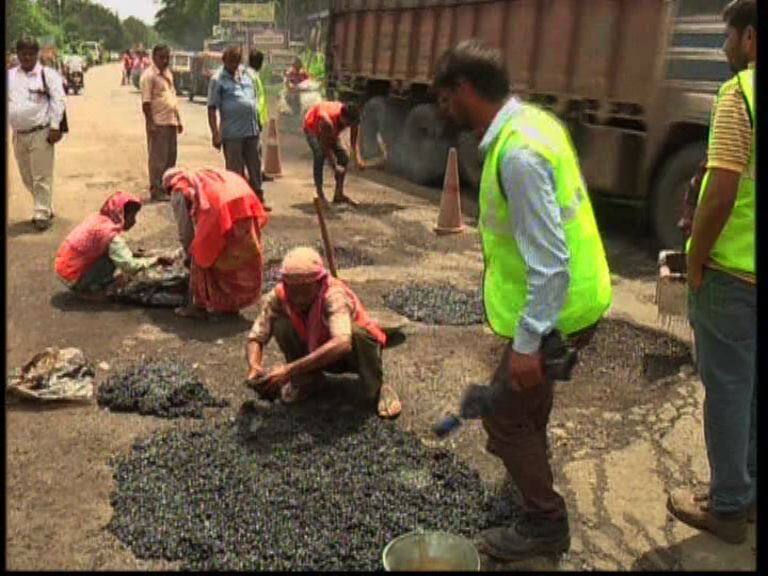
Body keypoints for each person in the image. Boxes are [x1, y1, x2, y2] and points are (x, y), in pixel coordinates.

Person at [433, 40, 612, 560]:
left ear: (465, 90)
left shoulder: (519, 153)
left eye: (447, 100)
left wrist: (529, 342)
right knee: (522, 404)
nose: (446, 112)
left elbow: (550, 260)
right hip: (570, 299)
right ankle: (531, 472)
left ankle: (544, 525)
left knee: (504, 420)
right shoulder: (534, 122)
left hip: (559, 307)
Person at [667, 0, 756, 545]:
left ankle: (726, 507)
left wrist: (696, 258)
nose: (723, 47)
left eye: (727, 37)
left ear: (749, 38)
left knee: (727, 390)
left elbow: (721, 188)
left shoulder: (740, 93)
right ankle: (748, 497)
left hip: (735, 275)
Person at [245, 246, 402, 419]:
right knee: (282, 324)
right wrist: (254, 366)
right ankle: (308, 380)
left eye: (304, 289)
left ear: (318, 282)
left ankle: (378, 388)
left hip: (351, 357)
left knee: (358, 333)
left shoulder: (333, 294)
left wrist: (288, 370)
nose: (297, 297)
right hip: (316, 353)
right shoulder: (280, 294)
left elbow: (342, 344)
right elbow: (257, 335)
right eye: (292, 289)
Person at [162, 167, 269, 319]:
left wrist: (188, 253)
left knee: (200, 255)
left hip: (222, 207)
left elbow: (185, 230)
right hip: (242, 200)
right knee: (236, 256)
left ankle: (196, 307)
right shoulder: (202, 175)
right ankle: (231, 304)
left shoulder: (178, 189)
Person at [54, 192, 167, 297]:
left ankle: (88, 283)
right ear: (121, 214)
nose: (134, 221)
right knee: (114, 258)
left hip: (64, 268)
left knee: (115, 253)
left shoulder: (98, 219)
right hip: (72, 277)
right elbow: (130, 266)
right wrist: (155, 260)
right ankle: (88, 289)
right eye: (131, 216)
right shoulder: (110, 235)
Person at [8, 36, 66, 231]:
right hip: (18, 134)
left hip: (41, 132)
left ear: (37, 54)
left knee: (41, 176)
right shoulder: (10, 76)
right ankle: (46, 205)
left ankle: (41, 213)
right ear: (17, 54)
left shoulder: (47, 75)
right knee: (27, 176)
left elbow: (58, 100)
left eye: (30, 53)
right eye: (22, 53)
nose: (26, 57)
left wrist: (55, 126)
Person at [207, 46, 268, 209]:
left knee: (255, 167)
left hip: (251, 130)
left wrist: (257, 120)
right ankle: (238, 204)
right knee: (235, 171)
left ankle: (257, 201)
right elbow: (212, 108)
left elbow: (254, 98)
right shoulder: (217, 79)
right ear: (224, 60)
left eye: (237, 60)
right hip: (232, 133)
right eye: (231, 61)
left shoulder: (247, 75)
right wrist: (215, 133)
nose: (235, 64)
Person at [140, 44, 183, 202]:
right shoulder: (149, 76)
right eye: (162, 57)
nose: (165, 60)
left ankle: (167, 187)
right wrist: (150, 123)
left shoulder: (168, 74)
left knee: (171, 158)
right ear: (154, 57)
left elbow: (172, 98)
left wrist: (178, 120)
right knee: (158, 159)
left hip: (170, 121)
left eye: (167, 57)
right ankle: (156, 189)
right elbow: (146, 103)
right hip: (158, 123)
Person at [303, 101, 362, 206]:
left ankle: (338, 194)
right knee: (319, 155)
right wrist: (334, 166)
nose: (349, 126)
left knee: (344, 157)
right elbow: (325, 146)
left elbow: (353, 139)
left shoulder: (353, 118)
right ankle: (320, 195)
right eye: (348, 124)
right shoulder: (327, 122)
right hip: (312, 126)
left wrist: (358, 158)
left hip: (330, 128)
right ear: (343, 117)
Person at [247, 48, 273, 184]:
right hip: (254, 118)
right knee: (255, 149)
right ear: (260, 63)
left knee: (257, 148)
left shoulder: (252, 75)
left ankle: (257, 173)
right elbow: (255, 99)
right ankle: (255, 177)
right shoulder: (253, 77)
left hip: (255, 118)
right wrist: (257, 118)